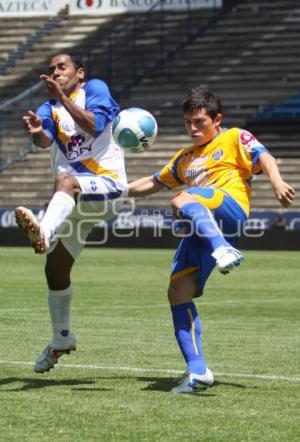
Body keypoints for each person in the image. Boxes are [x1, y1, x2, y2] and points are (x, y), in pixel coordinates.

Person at [128, 88, 295, 393]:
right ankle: (198, 371)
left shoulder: (233, 138)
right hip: (201, 227)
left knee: (181, 198)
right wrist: (115, 190)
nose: (193, 128)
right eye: (188, 122)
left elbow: (264, 156)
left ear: (217, 120)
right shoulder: (185, 158)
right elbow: (151, 183)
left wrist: (277, 180)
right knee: (178, 291)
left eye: (199, 121)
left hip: (229, 207)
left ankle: (223, 248)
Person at [15, 53, 127, 373]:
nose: (55, 72)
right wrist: (37, 130)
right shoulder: (48, 107)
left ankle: (45, 233)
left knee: (65, 180)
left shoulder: (94, 89)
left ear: (80, 72)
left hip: (106, 187)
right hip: (77, 205)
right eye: (51, 69)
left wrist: (62, 97)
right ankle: (61, 337)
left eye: (61, 67)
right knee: (55, 269)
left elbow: (96, 125)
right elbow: (44, 140)